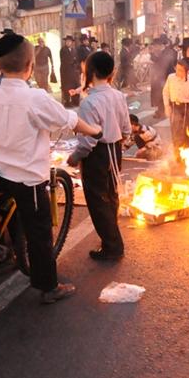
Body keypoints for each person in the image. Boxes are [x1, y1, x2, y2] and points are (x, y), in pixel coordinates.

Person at [0, 32, 102, 303]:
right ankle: (48, 286)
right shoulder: (35, 99)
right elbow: (70, 120)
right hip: (25, 178)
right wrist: (96, 131)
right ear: (31, 66)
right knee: (39, 233)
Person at [67, 51, 131, 261]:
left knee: (97, 199)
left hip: (97, 153)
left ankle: (113, 245)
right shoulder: (118, 95)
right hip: (114, 149)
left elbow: (89, 139)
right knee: (110, 195)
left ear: (90, 72)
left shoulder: (89, 103)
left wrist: (76, 156)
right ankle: (110, 240)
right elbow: (126, 127)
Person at [163, 59, 189, 159]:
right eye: (177, 69)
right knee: (175, 135)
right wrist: (167, 106)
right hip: (175, 107)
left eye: (181, 70)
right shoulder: (171, 77)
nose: (178, 72)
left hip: (187, 109)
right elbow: (165, 92)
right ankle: (177, 159)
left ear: (187, 71)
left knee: (187, 135)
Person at [59, 36, 80, 107]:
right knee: (67, 86)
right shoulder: (63, 50)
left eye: (69, 41)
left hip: (73, 71)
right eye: (67, 41)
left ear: (71, 42)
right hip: (66, 70)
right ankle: (67, 102)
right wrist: (71, 62)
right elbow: (64, 60)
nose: (68, 42)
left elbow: (76, 58)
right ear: (65, 42)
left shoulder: (74, 50)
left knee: (75, 85)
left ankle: (75, 101)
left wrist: (75, 63)